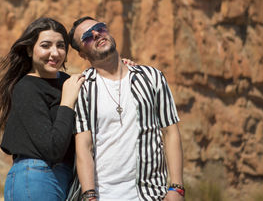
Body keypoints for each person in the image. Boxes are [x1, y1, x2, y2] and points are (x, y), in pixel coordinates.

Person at [68, 16, 184, 201]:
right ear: (82, 54)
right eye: (88, 36)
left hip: (151, 194)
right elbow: (84, 147)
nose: (97, 34)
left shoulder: (152, 77)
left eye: (100, 28)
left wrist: (177, 188)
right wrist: (90, 196)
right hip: (104, 195)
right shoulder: (82, 88)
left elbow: (170, 131)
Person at [0, 17, 85, 201]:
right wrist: (67, 102)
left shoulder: (67, 82)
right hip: (36, 177)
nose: (54, 53)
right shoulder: (27, 88)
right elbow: (53, 149)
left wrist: (124, 68)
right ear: (30, 50)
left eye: (61, 46)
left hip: (65, 179)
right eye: (46, 45)